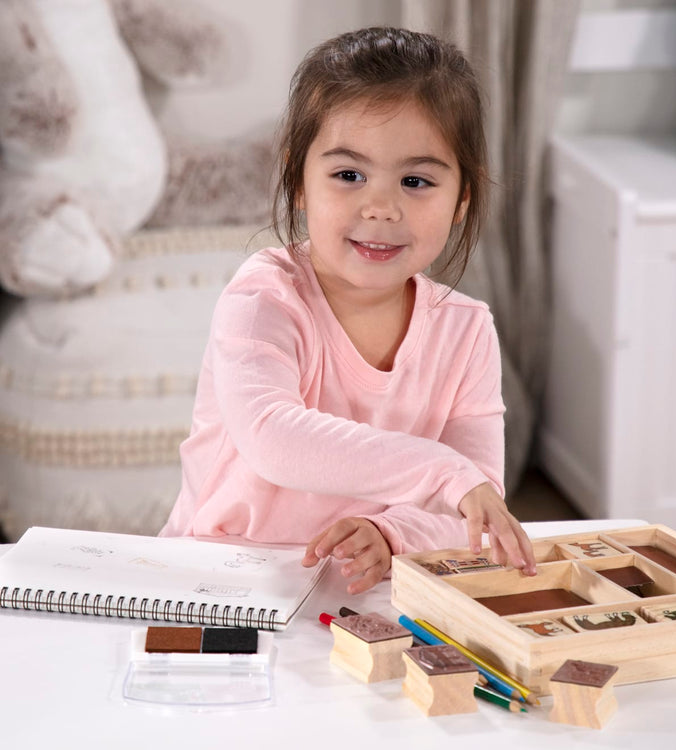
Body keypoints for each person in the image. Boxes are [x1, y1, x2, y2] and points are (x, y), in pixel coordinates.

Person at [161, 26, 537, 593]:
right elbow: (273, 439)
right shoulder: (264, 297)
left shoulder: (467, 329)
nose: (381, 207)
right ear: (300, 183)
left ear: (462, 198)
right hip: (217, 581)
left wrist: (390, 532)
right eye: (348, 175)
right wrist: (445, 473)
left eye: (416, 181)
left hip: (356, 593)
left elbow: (472, 507)